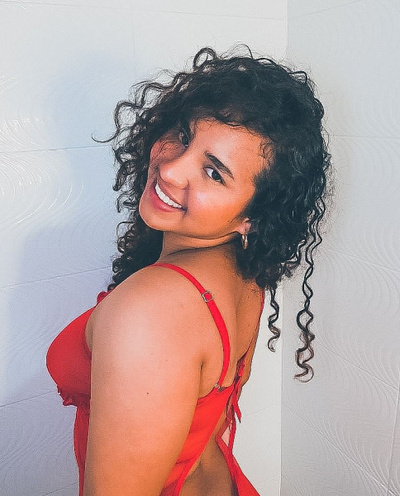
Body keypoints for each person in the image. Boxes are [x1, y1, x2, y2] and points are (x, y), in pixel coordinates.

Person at [47, 46, 330, 495]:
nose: (171, 169)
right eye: (182, 135)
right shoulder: (241, 274)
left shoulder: (152, 309)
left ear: (251, 217)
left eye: (214, 173)